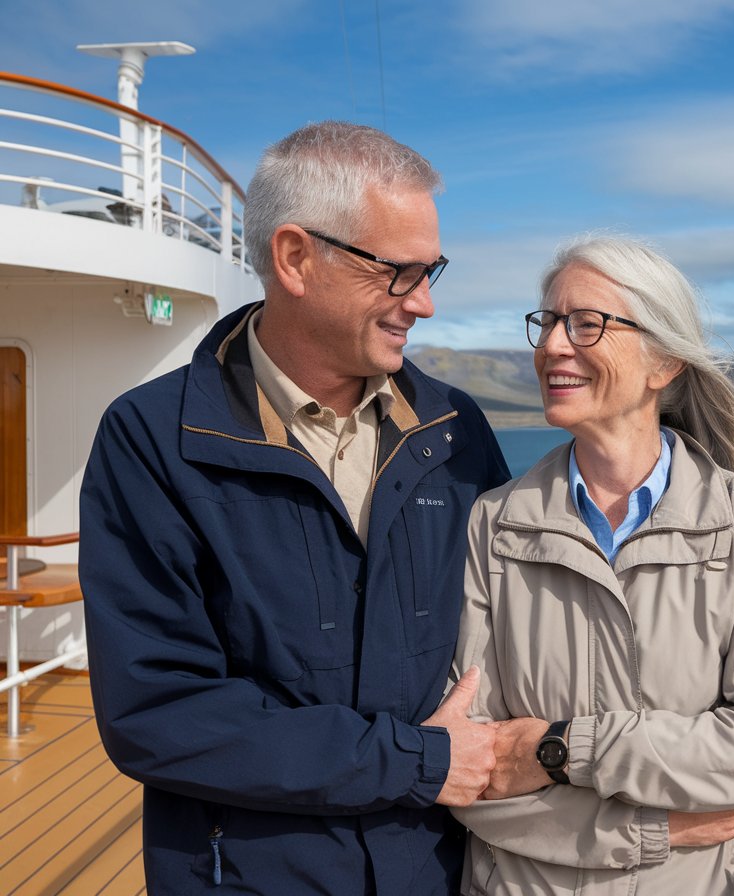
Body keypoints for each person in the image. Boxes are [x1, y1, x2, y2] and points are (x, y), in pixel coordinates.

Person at [79, 121, 510, 894]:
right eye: (400, 273)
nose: (428, 303)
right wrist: (417, 762)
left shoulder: (457, 433)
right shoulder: (152, 440)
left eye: (432, 269)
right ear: (295, 258)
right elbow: (157, 712)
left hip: (438, 872)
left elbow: (517, 636)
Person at [450, 235, 734, 894]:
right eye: (548, 322)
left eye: (586, 324)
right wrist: (659, 830)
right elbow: (470, 769)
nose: (553, 346)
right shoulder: (494, 525)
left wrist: (558, 747)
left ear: (664, 362)